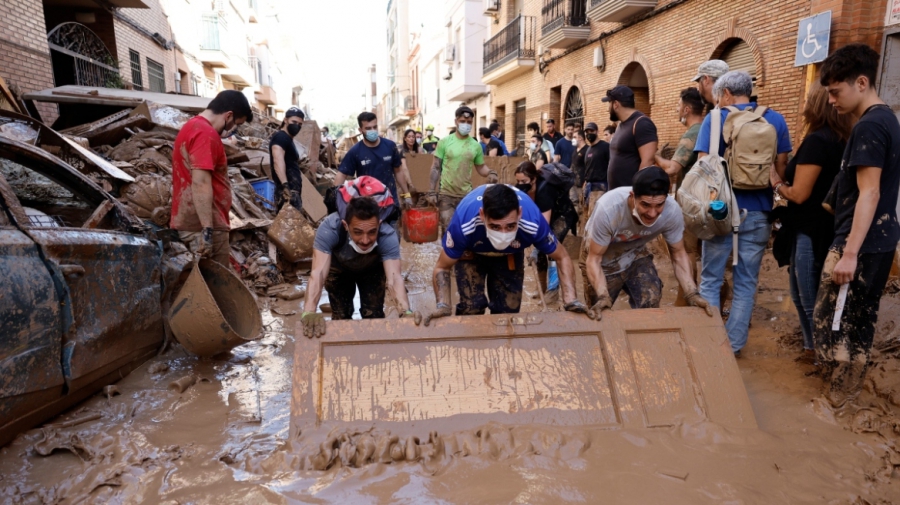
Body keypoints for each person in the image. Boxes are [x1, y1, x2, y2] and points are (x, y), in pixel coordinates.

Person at [813, 44, 900, 407]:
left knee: (837, 321)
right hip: (878, 239)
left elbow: (870, 192)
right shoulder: (887, 119)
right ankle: (845, 394)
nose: (831, 101)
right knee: (859, 318)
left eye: (836, 91)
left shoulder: (870, 126)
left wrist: (848, 254)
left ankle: (837, 400)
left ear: (861, 82)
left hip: (860, 244)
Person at [694, 70, 792, 356]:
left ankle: (710, 345)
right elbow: (782, 165)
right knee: (746, 282)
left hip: (720, 210)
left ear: (725, 94)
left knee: (711, 279)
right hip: (760, 211)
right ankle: (733, 347)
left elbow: (703, 167)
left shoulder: (714, 119)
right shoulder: (775, 119)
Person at [416, 184, 587, 325]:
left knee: (508, 313)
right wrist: (443, 305)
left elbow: (562, 257)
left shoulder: (532, 222)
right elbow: (442, 267)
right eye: (496, 227)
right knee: (471, 308)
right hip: (472, 253)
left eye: (510, 226)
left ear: (519, 213)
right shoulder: (464, 222)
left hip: (510, 255)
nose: (503, 233)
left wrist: (571, 300)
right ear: (483, 215)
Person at [768, 82, 853, 362]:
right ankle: (811, 348)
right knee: (802, 292)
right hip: (825, 228)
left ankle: (819, 353)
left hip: (809, 230)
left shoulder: (818, 141)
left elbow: (800, 194)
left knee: (808, 297)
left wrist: (777, 183)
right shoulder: (842, 138)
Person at [583, 166, 714, 319]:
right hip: (602, 260)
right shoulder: (608, 209)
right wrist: (603, 296)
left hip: (635, 253)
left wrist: (692, 293)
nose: (652, 213)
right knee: (600, 313)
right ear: (632, 196)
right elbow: (594, 259)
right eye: (645, 205)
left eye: (659, 205)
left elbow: (678, 254)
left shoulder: (672, 212)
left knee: (650, 299)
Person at [301, 185, 416, 338]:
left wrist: (405, 311)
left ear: (379, 225)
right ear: (345, 225)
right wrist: (309, 311)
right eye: (358, 232)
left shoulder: (387, 235)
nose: (365, 240)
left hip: (372, 270)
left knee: (373, 316)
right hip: (339, 270)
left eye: (372, 232)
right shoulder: (330, 228)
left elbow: (394, 278)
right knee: (341, 317)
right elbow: (318, 273)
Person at [171, 90, 252, 266]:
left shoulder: (192, 127)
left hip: (196, 222)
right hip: (204, 227)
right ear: (228, 115)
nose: (233, 130)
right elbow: (200, 182)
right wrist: (207, 230)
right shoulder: (205, 134)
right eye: (236, 124)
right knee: (214, 288)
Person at [654, 87, 705, 306]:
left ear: (686, 109)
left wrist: (654, 157)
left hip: (692, 202)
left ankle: (685, 298)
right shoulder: (707, 129)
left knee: (687, 250)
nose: (676, 109)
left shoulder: (693, 132)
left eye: (677, 105)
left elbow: (673, 168)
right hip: (706, 200)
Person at [426, 106, 499, 231]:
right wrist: (431, 191)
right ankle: (448, 250)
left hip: (466, 196)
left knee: (465, 231)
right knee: (448, 230)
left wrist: (490, 172)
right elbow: (436, 167)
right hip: (446, 195)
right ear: (456, 122)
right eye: (462, 121)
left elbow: (481, 167)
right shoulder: (444, 142)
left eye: (469, 122)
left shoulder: (475, 145)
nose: (466, 124)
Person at [515, 161, 578, 295]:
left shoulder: (544, 190)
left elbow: (544, 224)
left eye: (524, 181)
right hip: (546, 215)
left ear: (534, 179)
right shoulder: (523, 189)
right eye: (518, 181)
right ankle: (541, 289)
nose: (520, 184)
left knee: (551, 250)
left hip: (562, 216)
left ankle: (552, 292)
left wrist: (536, 248)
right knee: (541, 254)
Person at [336, 112, 414, 218]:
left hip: (390, 202)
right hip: (367, 206)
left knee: (392, 233)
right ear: (360, 130)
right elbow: (341, 174)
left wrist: (407, 194)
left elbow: (398, 171)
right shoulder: (355, 151)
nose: (372, 131)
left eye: (375, 127)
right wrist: (335, 199)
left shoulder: (390, 146)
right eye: (368, 128)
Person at [602, 85, 658, 190]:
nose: (607, 109)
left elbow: (648, 161)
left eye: (609, 103)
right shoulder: (620, 125)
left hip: (630, 195)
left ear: (616, 104)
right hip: (616, 194)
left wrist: (636, 192)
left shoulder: (642, 123)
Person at [270, 107, 305, 211]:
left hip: (292, 191)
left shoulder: (288, 139)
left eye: (300, 124)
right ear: (285, 120)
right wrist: (285, 186)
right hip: (287, 192)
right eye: (294, 122)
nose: (296, 126)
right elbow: (278, 160)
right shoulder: (281, 137)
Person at [581, 122, 611, 224]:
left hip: (600, 188)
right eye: (587, 132)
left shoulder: (605, 147)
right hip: (589, 188)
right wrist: (585, 182)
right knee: (587, 218)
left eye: (592, 131)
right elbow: (588, 168)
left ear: (597, 131)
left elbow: (612, 165)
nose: (589, 134)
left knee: (596, 219)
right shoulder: (588, 149)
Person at [571, 129, 588, 216]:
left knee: (582, 205)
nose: (572, 139)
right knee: (574, 203)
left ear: (580, 138)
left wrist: (586, 181)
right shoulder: (575, 150)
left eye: (574, 137)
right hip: (573, 183)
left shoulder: (587, 150)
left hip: (582, 183)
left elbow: (588, 167)